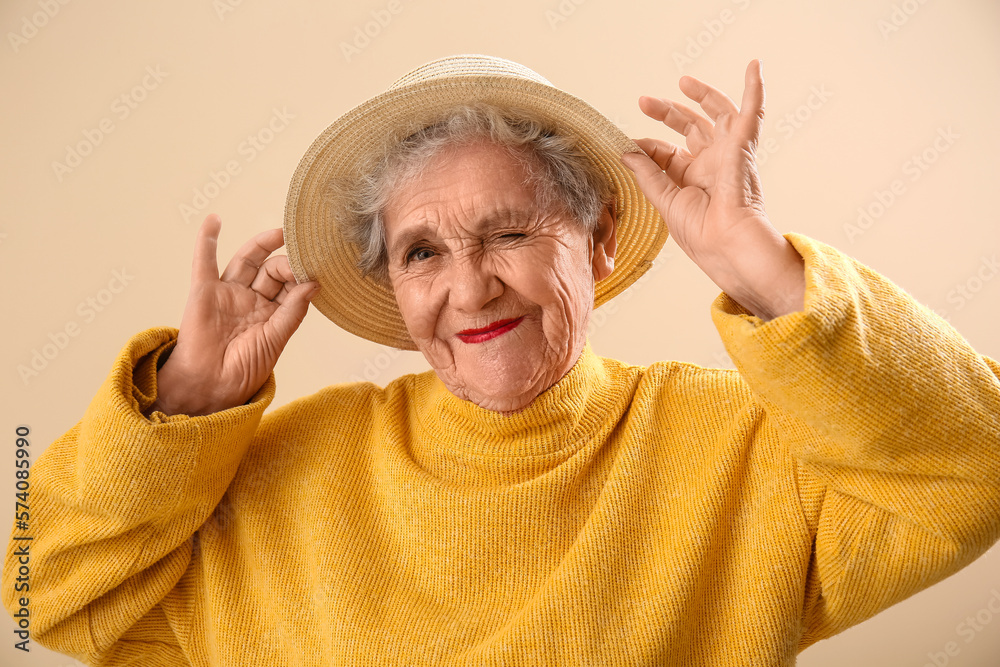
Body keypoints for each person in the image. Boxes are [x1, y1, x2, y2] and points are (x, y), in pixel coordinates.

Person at [3, 54, 999, 666]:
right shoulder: (284, 469)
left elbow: (972, 468)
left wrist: (765, 269)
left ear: (600, 240)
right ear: (392, 284)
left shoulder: (742, 449)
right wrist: (186, 403)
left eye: (511, 233)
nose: (469, 287)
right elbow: (34, 587)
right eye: (421, 252)